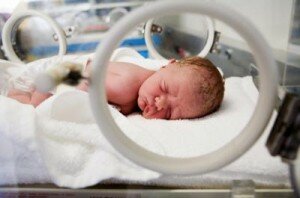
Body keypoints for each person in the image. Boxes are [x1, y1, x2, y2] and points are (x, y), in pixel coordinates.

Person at [8, 56, 224, 120]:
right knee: (33, 110)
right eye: (164, 88)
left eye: (168, 113)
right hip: (57, 74)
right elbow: (70, 74)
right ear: (167, 64)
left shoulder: (144, 90)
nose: (160, 103)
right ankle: (22, 96)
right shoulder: (126, 85)